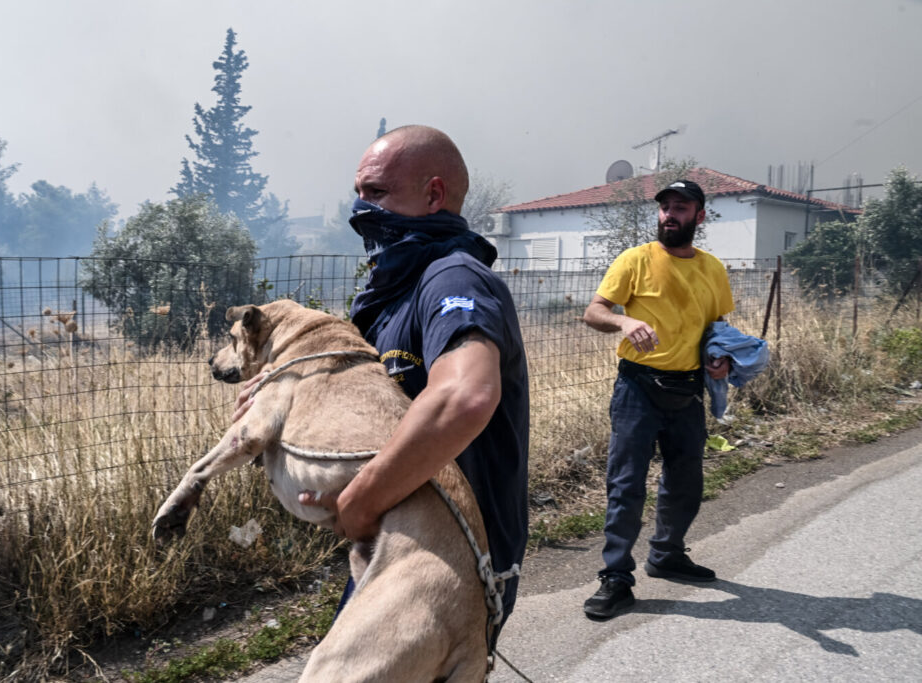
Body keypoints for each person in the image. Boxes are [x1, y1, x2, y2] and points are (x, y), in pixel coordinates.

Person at [236, 125, 530, 640]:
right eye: (358, 193)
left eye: (376, 193)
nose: (359, 209)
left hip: (452, 555)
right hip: (404, 542)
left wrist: (361, 501)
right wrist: (274, 391)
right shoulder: (389, 294)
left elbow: (465, 395)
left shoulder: (453, 279)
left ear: (433, 194)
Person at [580, 179, 734, 620]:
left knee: (685, 481)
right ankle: (616, 578)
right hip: (638, 388)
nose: (670, 214)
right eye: (665, 207)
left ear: (699, 216)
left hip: (688, 389)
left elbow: (715, 329)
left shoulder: (712, 269)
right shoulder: (635, 260)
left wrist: (718, 359)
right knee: (626, 485)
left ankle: (667, 554)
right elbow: (594, 312)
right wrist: (624, 324)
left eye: (680, 207)